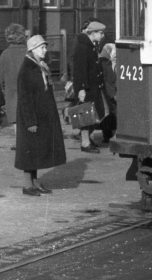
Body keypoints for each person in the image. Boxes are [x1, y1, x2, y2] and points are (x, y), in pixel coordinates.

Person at [15, 34, 67, 194]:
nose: (45, 50)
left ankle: (35, 182)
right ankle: (27, 185)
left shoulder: (39, 66)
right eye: (42, 47)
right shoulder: (27, 69)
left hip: (40, 116)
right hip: (31, 117)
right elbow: (25, 98)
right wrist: (30, 121)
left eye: (45, 47)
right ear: (33, 49)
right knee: (29, 151)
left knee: (36, 150)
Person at [67, 20, 108, 153]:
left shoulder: (90, 45)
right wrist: (81, 89)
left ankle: (87, 139)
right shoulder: (83, 47)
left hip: (93, 86)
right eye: (100, 33)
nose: (102, 36)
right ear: (93, 33)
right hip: (88, 87)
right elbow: (80, 70)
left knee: (96, 113)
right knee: (86, 114)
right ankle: (85, 143)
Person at [0, 22, 28, 126]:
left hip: (11, 94)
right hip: (28, 93)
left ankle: (19, 142)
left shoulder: (5, 54)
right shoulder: (28, 52)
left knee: (16, 122)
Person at [98, 41, 118, 144]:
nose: (115, 56)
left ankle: (111, 133)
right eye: (113, 53)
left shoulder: (114, 63)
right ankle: (108, 135)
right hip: (108, 92)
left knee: (114, 113)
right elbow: (106, 81)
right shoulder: (103, 63)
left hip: (114, 91)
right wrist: (113, 94)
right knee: (110, 113)